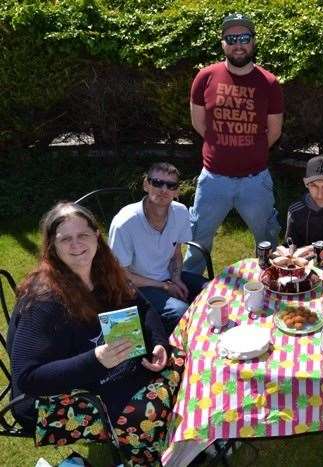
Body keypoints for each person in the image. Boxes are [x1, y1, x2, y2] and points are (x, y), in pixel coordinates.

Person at [8, 202, 183, 465]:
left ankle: (173, 440)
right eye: (65, 239)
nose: (76, 244)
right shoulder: (44, 300)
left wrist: (159, 343)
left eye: (83, 235)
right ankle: (152, 454)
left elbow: (144, 308)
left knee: (179, 361)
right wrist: (96, 360)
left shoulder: (104, 270)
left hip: (102, 372)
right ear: (52, 247)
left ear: (96, 236)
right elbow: (28, 379)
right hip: (47, 403)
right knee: (142, 411)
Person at [184, 12, 284, 274]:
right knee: (197, 242)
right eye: (231, 38)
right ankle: (189, 290)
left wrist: (249, 152)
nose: (238, 43)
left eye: (244, 37)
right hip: (213, 180)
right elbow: (199, 124)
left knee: (268, 243)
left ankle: (271, 284)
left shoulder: (270, 83)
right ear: (223, 43)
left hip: (255, 181)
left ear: (253, 41)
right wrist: (223, 147)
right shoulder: (204, 77)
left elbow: (273, 132)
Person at [109, 162, 207, 333]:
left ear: (177, 191)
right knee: (180, 311)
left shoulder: (181, 212)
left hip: (167, 276)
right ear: (146, 184)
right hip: (135, 286)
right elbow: (121, 275)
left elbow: (176, 252)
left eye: (171, 185)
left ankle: (206, 338)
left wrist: (176, 278)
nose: (164, 189)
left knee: (211, 290)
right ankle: (173, 349)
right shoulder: (124, 223)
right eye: (157, 182)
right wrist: (164, 286)